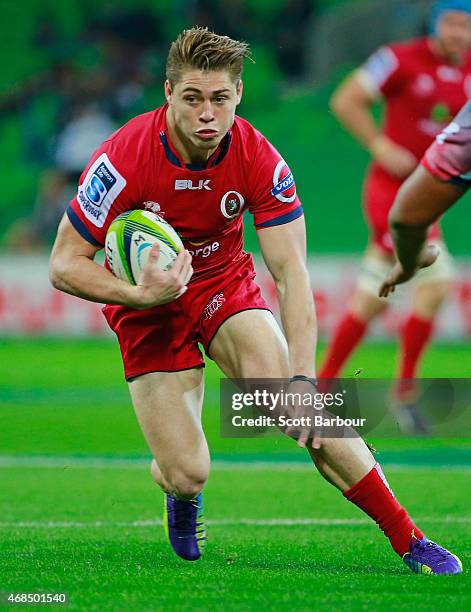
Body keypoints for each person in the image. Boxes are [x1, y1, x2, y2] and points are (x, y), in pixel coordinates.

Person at [49, 27, 461, 574]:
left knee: (308, 412)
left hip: (222, 285)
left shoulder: (260, 159)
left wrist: (302, 376)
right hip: (146, 305)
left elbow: (291, 274)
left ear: (238, 95)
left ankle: (410, 540)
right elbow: (63, 262)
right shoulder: (122, 157)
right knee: (189, 469)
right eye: (192, 98)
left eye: (220, 99)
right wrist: (136, 293)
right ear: (168, 94)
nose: (207, 116)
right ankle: (177, 487)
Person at [319, 0, 471, 432]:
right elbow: (346, 99)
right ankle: (401, 393)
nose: (459, 33)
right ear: (437, 24)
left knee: (375, 296)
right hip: (392, 193)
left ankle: (321, 388)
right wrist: (380, 145)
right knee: (435, 283)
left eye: (467, 25)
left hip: (428, 196)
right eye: (452, 23)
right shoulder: (399, 58)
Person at [380, 100, 471, 296]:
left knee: (437, 283)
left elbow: (406, 219)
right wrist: (381, 148)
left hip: (413, 191)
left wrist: (409, 263)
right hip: (385, 188)